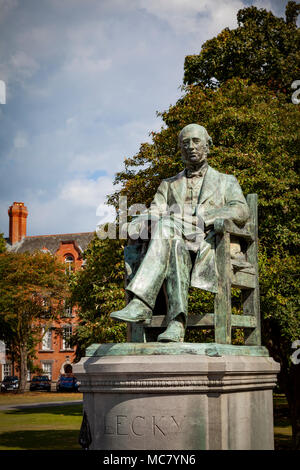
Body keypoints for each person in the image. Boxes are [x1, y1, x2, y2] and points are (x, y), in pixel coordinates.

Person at [110, 123, 250, 342]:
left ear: (208, 145)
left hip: (209, 243)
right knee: (170, 237)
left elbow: (240, 210)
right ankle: (176, 324)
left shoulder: (226, 181)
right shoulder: (168, 185)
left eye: (196, 141)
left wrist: (202, 220)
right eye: (185, 143)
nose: (191, 147)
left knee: (167, 227)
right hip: (175, 245)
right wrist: (136, 223)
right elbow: (153, 212)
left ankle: (142, 303)